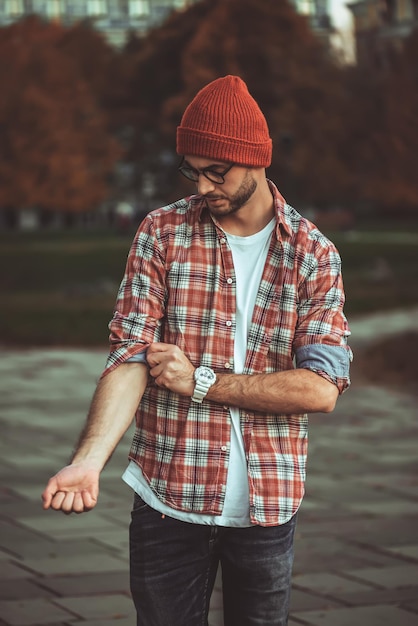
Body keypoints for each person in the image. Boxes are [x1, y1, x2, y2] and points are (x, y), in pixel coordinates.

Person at [42, 75, 352, 626]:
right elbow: (130, 354)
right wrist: (87, 463)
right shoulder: (162, 234)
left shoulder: (312, 255)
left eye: (218, 171)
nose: (204, 185)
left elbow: (320, 390)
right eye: (192, 169)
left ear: (256, 160)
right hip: (168, 500)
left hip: (267, 509)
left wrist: (202, 380)